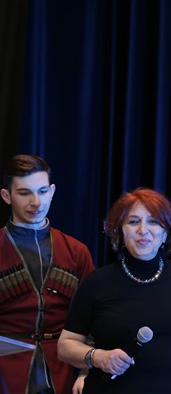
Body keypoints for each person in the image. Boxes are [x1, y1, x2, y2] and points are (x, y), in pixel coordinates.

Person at [57, 187, 171, 393]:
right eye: (133, 222)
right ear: (120, 232)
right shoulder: (97, 282)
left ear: (166, 233)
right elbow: (66, 345)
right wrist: (98, 357)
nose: (143, 230)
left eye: (153, 222)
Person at [0, 154, 95, 394]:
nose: (36, 202)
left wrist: (85, 372)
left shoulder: (76, 252)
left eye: (42, 191)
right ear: (6, 196)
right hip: (6, 372)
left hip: (64, 371)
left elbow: (94, 319)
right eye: (24, 193)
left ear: (52, 191)